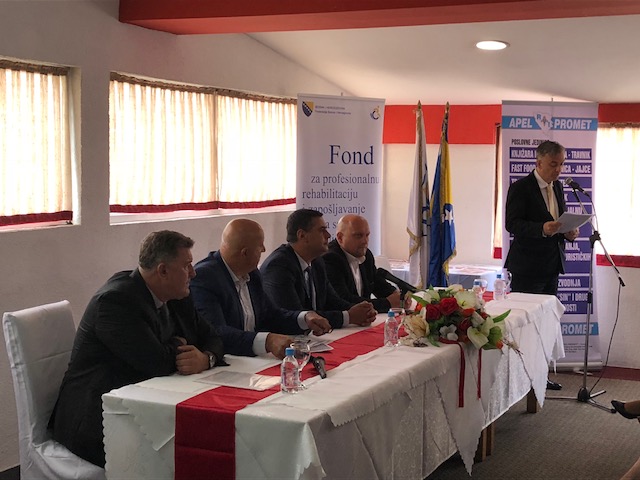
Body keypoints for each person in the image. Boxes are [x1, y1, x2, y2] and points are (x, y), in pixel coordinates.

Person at [48, 230, 224, 467]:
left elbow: (213, 337)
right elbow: (156, 362)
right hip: (97, 419)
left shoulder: (177, 293)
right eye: (187, 265)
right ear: (163, 270)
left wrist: (206, 358)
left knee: (206, 442)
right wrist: (177, 344)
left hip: (144, 404)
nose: (193, 272)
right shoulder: (115, 302)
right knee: (191, 452)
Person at [190, 218, 332, 359]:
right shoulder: (205, 278)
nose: (264, 249)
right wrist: (267, 341)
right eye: (260, 246)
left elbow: (270, 315)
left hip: (252, 361)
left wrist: (304, 318)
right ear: (245, 253)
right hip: (225, 361)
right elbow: (216, 332)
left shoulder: (251, 273)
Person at [504, 140, 579, 390]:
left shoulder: (558, 187)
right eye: (553, 164)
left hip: (552, 265)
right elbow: (512, 224)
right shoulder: (521, 188)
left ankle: (540, 376)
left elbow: (559, 220)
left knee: (546, 324)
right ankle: (520, 378)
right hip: (527, 267)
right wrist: (541, 228)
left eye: (562, 164)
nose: (558, 170)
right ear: (539, 162)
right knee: (526, 325)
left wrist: (568, 232)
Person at [260, 208, 377, 330]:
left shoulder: (317, 261)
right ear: (302, 235)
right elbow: (296, 316)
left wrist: (361, 311)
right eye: (322, 230)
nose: (328, 235)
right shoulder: (279, 266)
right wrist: (348, 316)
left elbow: (332, 301)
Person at [323, 214, 401, 313]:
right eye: (358, 236)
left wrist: (396, 295)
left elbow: (377, 283)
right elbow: (343, 300)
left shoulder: (366, 255)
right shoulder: (330, 258)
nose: (365, 241)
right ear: (340, 238)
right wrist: (387, 303)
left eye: (367, 235)